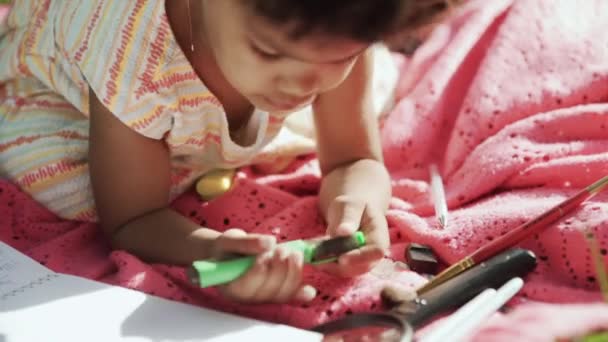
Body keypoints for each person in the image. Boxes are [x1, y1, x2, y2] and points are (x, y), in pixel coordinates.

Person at [0, 0, 454, 303]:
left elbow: (355, 160)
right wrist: (212, 251)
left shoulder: (334, 20)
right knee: (70, 190)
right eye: (268, 52)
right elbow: (132, 220)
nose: (299, 86)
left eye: (339, 59)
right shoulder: (133, 63)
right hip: (68, 101)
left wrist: (359, 206)